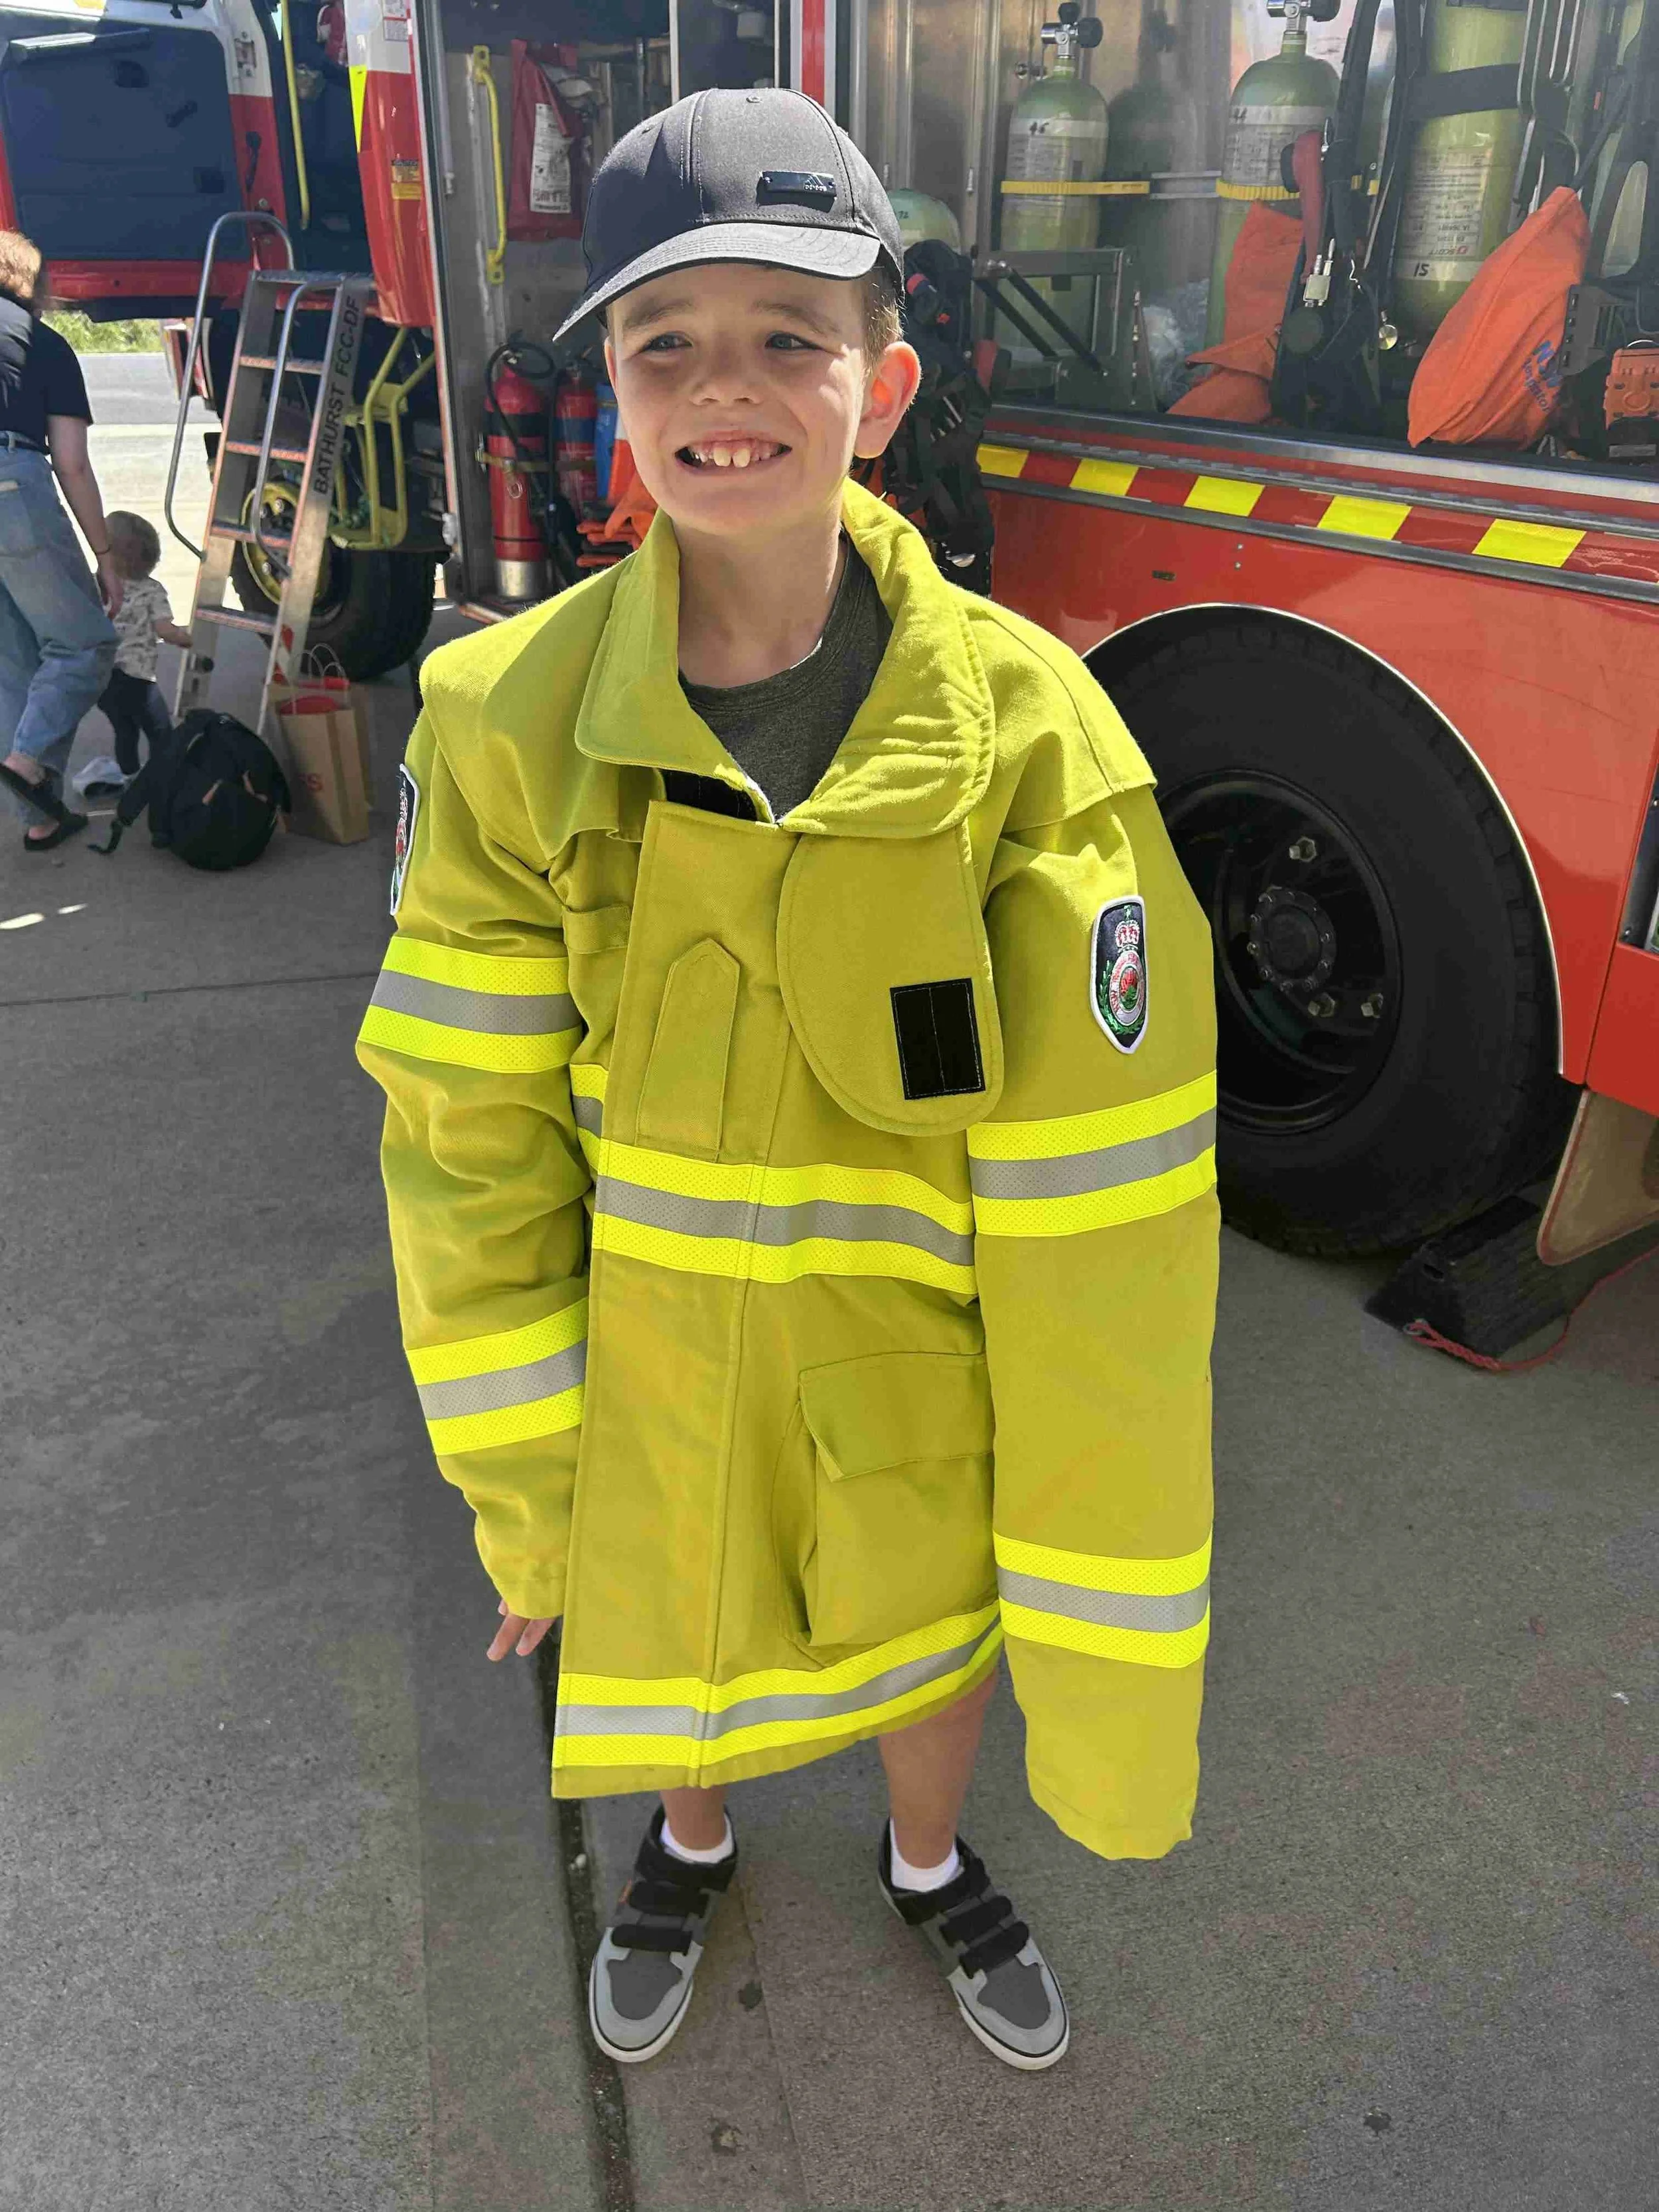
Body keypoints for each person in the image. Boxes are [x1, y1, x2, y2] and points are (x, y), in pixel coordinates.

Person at [356, 90, 1220, 2077]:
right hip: (645, 1362)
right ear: (613, 400)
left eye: (782, 338)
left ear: (881, 382)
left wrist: (1076, 1537)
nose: (720, 389)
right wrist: (522, 1484)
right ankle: (687, 1836)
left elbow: (1103, 1219)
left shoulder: (1030, 734)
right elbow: (462, 1135)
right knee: (672, 1633)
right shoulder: (501, 722)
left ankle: (927, 1862)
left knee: (932, 1645)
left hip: (915, 1364)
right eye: (664, 345)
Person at [0, 231, 119, 851]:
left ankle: (41, 817)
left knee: (14, 665)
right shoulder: (41, 345)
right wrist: (105, 556)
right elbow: (71, 462)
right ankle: (25, 765)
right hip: (10, 489)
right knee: (84, 646)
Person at [97, 511, 190, 780]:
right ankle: (163, 780)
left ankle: (130, 777)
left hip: (104, 679)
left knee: (125, 730)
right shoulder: (153, 590)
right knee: (161, 732)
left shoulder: (98, 585)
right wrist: (187, 638)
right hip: (137, 680)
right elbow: (165, 630)